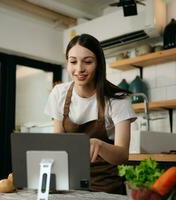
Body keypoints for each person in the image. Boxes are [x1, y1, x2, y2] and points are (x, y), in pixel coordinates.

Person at [44, 33, 136, 194]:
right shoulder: (59, 93)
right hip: (68, 185)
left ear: (98, 63)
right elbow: (57, 142)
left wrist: (99, 145)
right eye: (73, 61)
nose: (79, 69)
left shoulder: (117, 100)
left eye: (87, 62)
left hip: (105, 188)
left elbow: (122, 155)